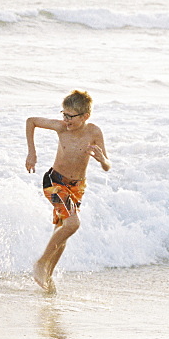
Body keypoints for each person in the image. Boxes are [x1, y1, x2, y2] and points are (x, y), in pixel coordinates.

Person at [25, 90, 110, 292]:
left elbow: (107, 165)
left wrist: (102, 160)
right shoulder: (61, 128)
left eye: (71, 116)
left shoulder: (94, 132)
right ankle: (40, 263)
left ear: (85, 116)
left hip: (77, 188)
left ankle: (48, 278)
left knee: (62, 232)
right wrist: (32, 153)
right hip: (54, 181)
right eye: (64, 114)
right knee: (72, 224)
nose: (66, 120)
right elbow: (31, 121)